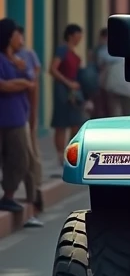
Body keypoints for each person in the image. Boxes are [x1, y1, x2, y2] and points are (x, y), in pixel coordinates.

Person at [0, 18, 35, 217]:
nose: (19, 38)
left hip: (17, 117)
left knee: (19, 159)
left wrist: (19, 80)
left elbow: (31, 81)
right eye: (16, 35)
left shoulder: (17, 59)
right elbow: (3, 86)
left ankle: (9, 196)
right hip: (4, 118)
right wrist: (21, 83)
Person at [15, 27, 43, 226]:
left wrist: (34, 118)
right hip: (12, 117)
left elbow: (33, 85)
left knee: (29, 159)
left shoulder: (25, 56)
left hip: (21, 116)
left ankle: (33, 203)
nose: (20, 39)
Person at [49, 24, 86, 176]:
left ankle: (70, 153)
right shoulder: (62, 50)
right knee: (61, 124)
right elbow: (53, 69)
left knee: (75, 123)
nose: (80, 39)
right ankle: (60, 156)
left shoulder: (73, 52)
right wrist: (68, 83)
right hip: (63, 91)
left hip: (74, 92)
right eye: (78, 35)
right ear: (71, 35)